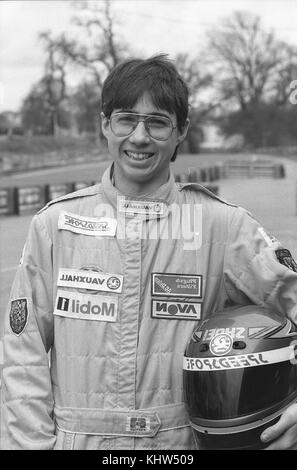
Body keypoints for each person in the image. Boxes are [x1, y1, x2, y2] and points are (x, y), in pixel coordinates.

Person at [1, 54, 297, 450]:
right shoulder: (55, 225)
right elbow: (23, 355)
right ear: (105, 125)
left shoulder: (223, 226)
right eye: (126, 119)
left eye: (157, 122)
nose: (139, 137)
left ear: (181, 132)